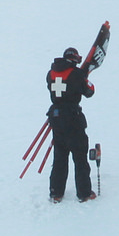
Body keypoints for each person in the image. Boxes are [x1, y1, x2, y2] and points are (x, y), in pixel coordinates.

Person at [45, 44, 97, 203]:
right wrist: (84, 77)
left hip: (56, 118)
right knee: (80, 157)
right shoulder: (76, 74)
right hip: (73, 120)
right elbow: (90, 91)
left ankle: (56, 192)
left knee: (60, 157)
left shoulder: (50, 74)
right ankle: (84, 193)